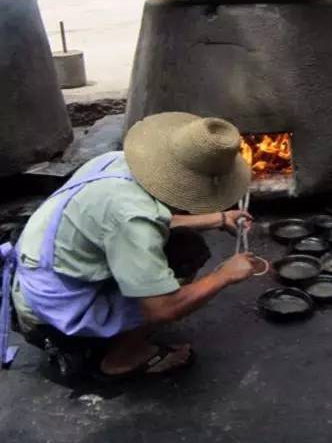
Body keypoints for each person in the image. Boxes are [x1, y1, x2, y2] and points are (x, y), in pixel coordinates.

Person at [1, 112, 257, 378]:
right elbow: (162, 307)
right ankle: (121, 358)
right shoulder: (132, 217)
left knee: (185, 245)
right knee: (179, 267)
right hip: (51, 307)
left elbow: (145, 217)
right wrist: (224, 275)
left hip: (41, 271)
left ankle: (115, 329)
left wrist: (218, 218)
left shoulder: (117, 162)